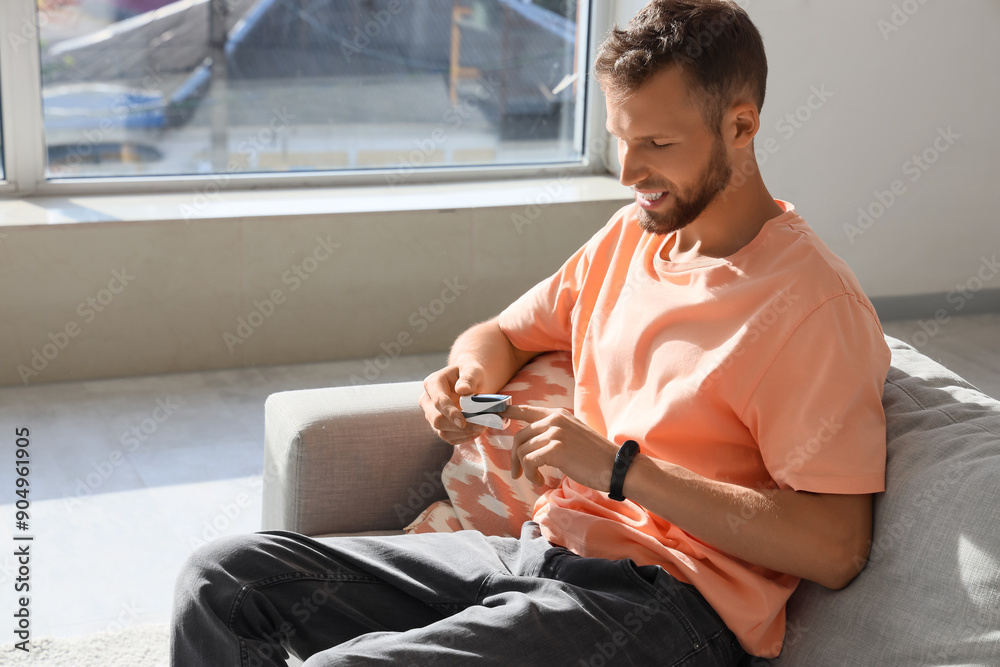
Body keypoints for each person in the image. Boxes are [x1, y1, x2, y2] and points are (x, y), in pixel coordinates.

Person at [170, 1, 890, 664]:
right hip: (538, 552)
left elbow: (835, 545)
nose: (629, 171)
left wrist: (620, 469)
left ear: (741, 125)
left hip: (667, 608)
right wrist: (465, 382)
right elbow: (502, 334)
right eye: (619, 139)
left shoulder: (810, 304)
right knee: (223, 582)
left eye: (657, 144)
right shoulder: (631, 238)